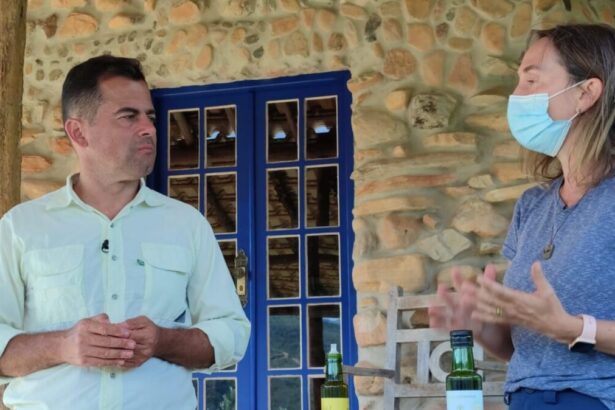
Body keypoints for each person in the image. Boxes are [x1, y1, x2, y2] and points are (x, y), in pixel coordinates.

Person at [0, 55, 251, 409]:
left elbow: (231, 333)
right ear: (78, 132)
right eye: (128, 116)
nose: (148, 127)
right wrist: (63, 345)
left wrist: (163, 340)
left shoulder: (186, 225)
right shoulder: (20, 228)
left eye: (149, 116)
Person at [429, 24, 615, 410]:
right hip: (524, 398)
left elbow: (564, 330)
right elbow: (518, 349)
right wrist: (477, 325)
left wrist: (577, 329)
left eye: (531, 80)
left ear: (586, 92)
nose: (516, 96)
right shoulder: (532, 205)